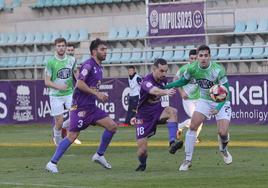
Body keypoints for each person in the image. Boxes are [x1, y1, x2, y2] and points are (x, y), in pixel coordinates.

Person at [45, 38, 118, 173]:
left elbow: (89, 86)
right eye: (102, 49)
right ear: (94, 51)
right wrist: (97, 94)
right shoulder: (88, 65)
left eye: (106, 49)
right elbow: (79, 83)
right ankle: (52, 163)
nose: (105, 52)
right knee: (72, 136)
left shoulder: (98, 66)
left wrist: (99, 94)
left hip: (91, 107)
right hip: (80, 108)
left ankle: (99, 155)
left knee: (112, 126)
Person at [165, 45, 232, 171]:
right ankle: (187, 160)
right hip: (205, 100)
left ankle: (223, 149)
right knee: (193, 126)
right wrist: (168, 86)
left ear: (209, 56)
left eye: (206, 55)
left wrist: (218, 107)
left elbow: (227, 92)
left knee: (222, 133)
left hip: (221, 101)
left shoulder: (218, 70)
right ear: (197, 56)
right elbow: (182, 81)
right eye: (200, 55)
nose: (203, 58)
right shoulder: (192, 68)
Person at [133, 58, 184, 172]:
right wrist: (166, 92)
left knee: (172, 112)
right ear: (154, 69)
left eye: (166, 71)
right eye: (161, 71)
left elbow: (170, 84)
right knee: (142, 151)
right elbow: (153, 91)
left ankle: (172, 142)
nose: (164, 73)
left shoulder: (163, 80)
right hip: (143, 117)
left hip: (157, 111)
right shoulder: (146, 81)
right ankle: (142, 164)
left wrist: (182, 81)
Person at [44, 38, 77, 146]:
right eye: (59, 46)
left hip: (69, 93)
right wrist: (59, 87)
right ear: (55, 47)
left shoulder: (72, 60)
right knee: (59, 121)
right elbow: (47, 82)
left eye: (63, 45)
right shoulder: (51, 62)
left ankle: (64, 127)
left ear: (66, 47)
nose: (61, 48)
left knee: (76, 116)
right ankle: (58, 144)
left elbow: (76, 73)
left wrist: (80, 83)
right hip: (55, 95)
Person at [174, 49, 202, 143]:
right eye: (191, 58)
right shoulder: (184, 69)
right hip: (188, 99)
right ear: (189, 58)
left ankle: (179, 127)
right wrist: (181, 92)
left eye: (195, 58)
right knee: (195, 119)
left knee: (200, 119)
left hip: (199, 98)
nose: (193, 60)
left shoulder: (202, 68)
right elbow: (175, 79)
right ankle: (192, 137)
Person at [61, 43, 82, 145]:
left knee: (74, 113)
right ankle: (65, 133)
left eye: (71, 50)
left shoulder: (73, 61)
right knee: (74, 114)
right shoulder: (63, 61)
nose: (70, 52)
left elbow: (76, 74)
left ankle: (65, 131)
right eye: (68, 50)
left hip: (71, 92)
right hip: (63, 92)